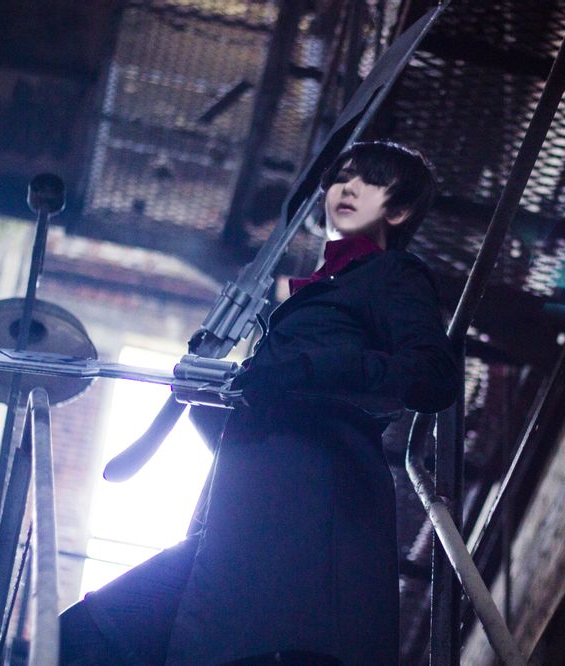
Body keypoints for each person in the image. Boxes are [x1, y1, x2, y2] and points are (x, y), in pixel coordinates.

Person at [59, 141, 460, 665]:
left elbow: (432, 375)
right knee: (82, 637)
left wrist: (304, 371)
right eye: (343, 177)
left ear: (399, 210)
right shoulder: (310, 291)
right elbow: (275, 401)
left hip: (311, 505)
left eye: (372, 180)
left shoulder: (392, 274)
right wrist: (215, 398)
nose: (348, 187)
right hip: (244, 511)